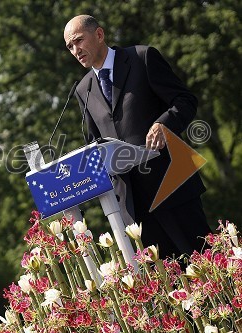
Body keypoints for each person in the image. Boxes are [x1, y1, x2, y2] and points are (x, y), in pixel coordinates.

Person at [63, 15, 211, 260]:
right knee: (165, 287)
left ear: (99, 35)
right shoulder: (83, 90)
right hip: (132, 209)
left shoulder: (142, 58)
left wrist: (164, 124)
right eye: (70, 46)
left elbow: (185, 101)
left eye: (78, 40)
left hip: (172, 186)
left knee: (205, 267)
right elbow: (94, 143)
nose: (75, 50)